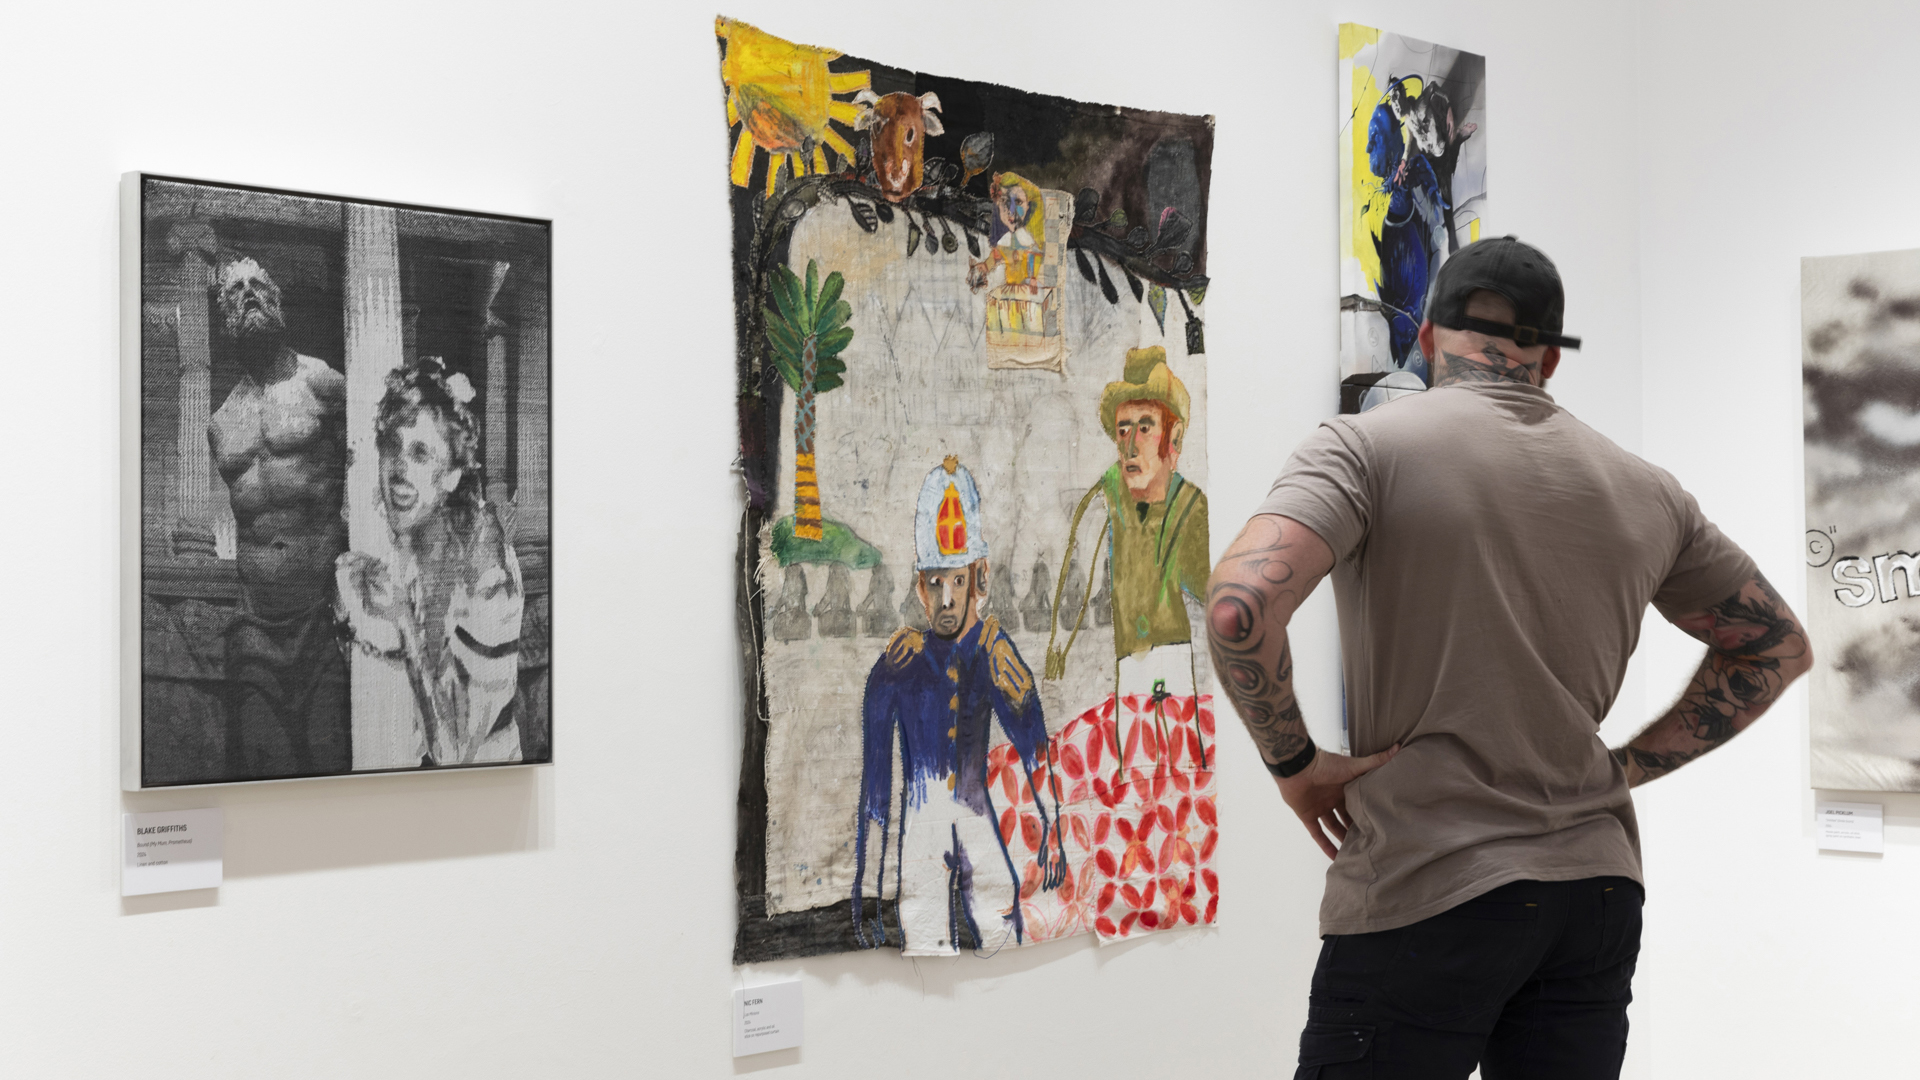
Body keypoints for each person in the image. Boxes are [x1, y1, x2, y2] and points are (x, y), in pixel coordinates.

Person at [1206, 237, 1811, 1079]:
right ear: (1551, 360)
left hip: (1429, 883)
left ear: (1425, 340)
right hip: (1594, 895)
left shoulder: (1364, 448)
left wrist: (1296, 765)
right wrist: (1623, 768)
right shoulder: (1645, 488)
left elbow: (1238, 610)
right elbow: (1775, 649)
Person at [852, 456, 1064, 956]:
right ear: (919, 588)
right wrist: (866, 888)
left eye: (958, 581)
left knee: (1001, 930)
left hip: (975, 820)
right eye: (935, 583)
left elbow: (1034, 745)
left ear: (980, 578)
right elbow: (875, 788)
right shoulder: (895, 666)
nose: (947, 599)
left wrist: (1052, 827)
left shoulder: (993, 654)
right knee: (924, 934)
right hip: (920, 840)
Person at [335, 357, 525, 767]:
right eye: (391, 448)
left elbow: (456, 752)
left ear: (454, 474)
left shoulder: (486, 569)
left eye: (421, 454)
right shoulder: (411, 540)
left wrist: (400, 619)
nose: (398, 471)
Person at [207, 255, 351, 776]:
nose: (248, 295)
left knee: (330, 764)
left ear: (277, 302)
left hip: (324, 618)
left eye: (258, 286)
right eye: (235, 291)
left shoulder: (323, 385)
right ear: (226, 316)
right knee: (259, 772)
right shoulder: (221, 422)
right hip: (253, 626)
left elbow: (373, 464)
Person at [1045, 346, 1210, 692]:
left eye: (1145, 428)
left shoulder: (1191, 508)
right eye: (1122, 431)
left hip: (1175, 667)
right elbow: (1078, 560)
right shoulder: (1108, 495)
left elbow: (1218, 592)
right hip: (1127, 674)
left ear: (1173, 439)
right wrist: (1058, 647)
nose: (1130, 446)